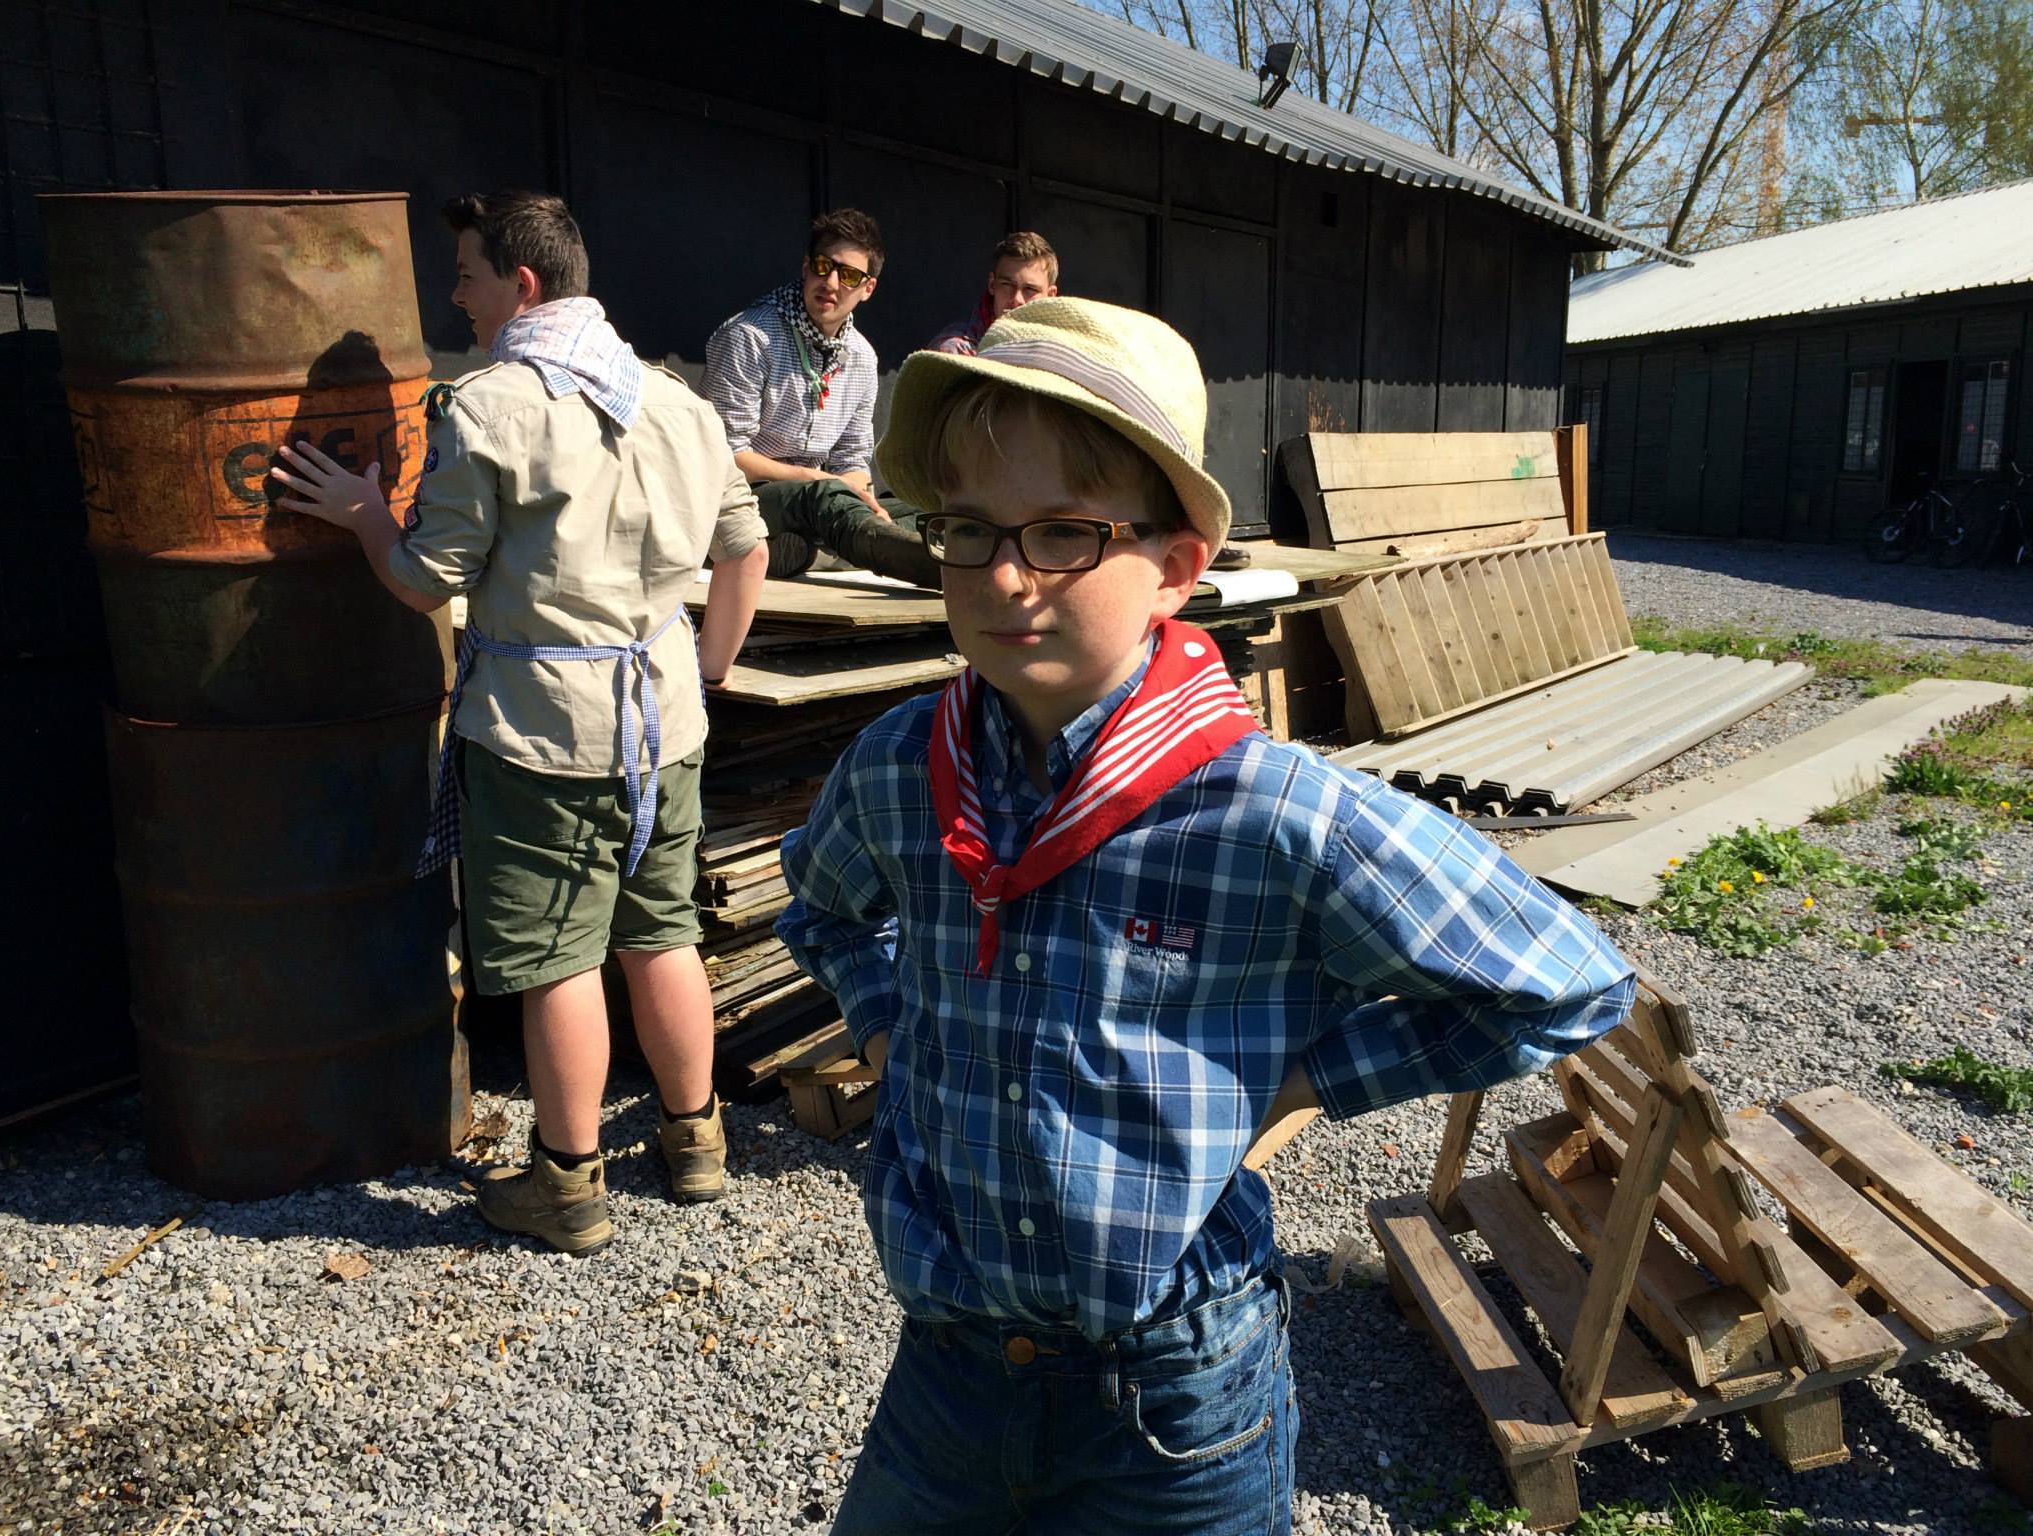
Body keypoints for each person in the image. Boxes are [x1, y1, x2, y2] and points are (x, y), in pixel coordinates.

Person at [774, 297, 1637, 1534]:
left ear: (1175, 567)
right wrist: (885, 1030)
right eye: (966, 529)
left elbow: (1564, 980)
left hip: (1174, 1403)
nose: (1005, 575)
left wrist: (1300, 1082)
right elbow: (824, 912)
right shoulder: (899, 768)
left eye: (1062, 533)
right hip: (948, 1376)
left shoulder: (1270, 810)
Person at [272, 190, 767, 1254]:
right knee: (662, 931)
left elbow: (426, 578)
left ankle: (568, 1186)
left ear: (522, 283)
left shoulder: (487, 406)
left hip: (545, 735)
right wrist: (708, 669)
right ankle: (696, 1142)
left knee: (558, 958)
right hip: (666, 723)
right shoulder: (676, 401)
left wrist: (365, 516)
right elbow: (746, 547)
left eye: (467, 274)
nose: (455, 295)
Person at [702, 209, 939, 588]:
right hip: (739, 498)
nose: (830, 282)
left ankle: (807, 551)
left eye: (848, 276)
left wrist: (862, 500)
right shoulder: (749, 336)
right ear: (805, 267)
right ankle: (944, 572)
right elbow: (725, 455)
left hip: (819, 499)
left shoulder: (862, 356)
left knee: (921, 509)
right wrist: (816, 479)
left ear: (868, 288)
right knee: (825, 498)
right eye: (822, 266)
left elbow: (852, 459)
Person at [926, 229, 1059, 356]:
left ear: (1051, 296)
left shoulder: (1061, 345)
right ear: (992, 284)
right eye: (1007, 285)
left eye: (1030, 289)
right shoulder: (955, 350)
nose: (1017, 299)